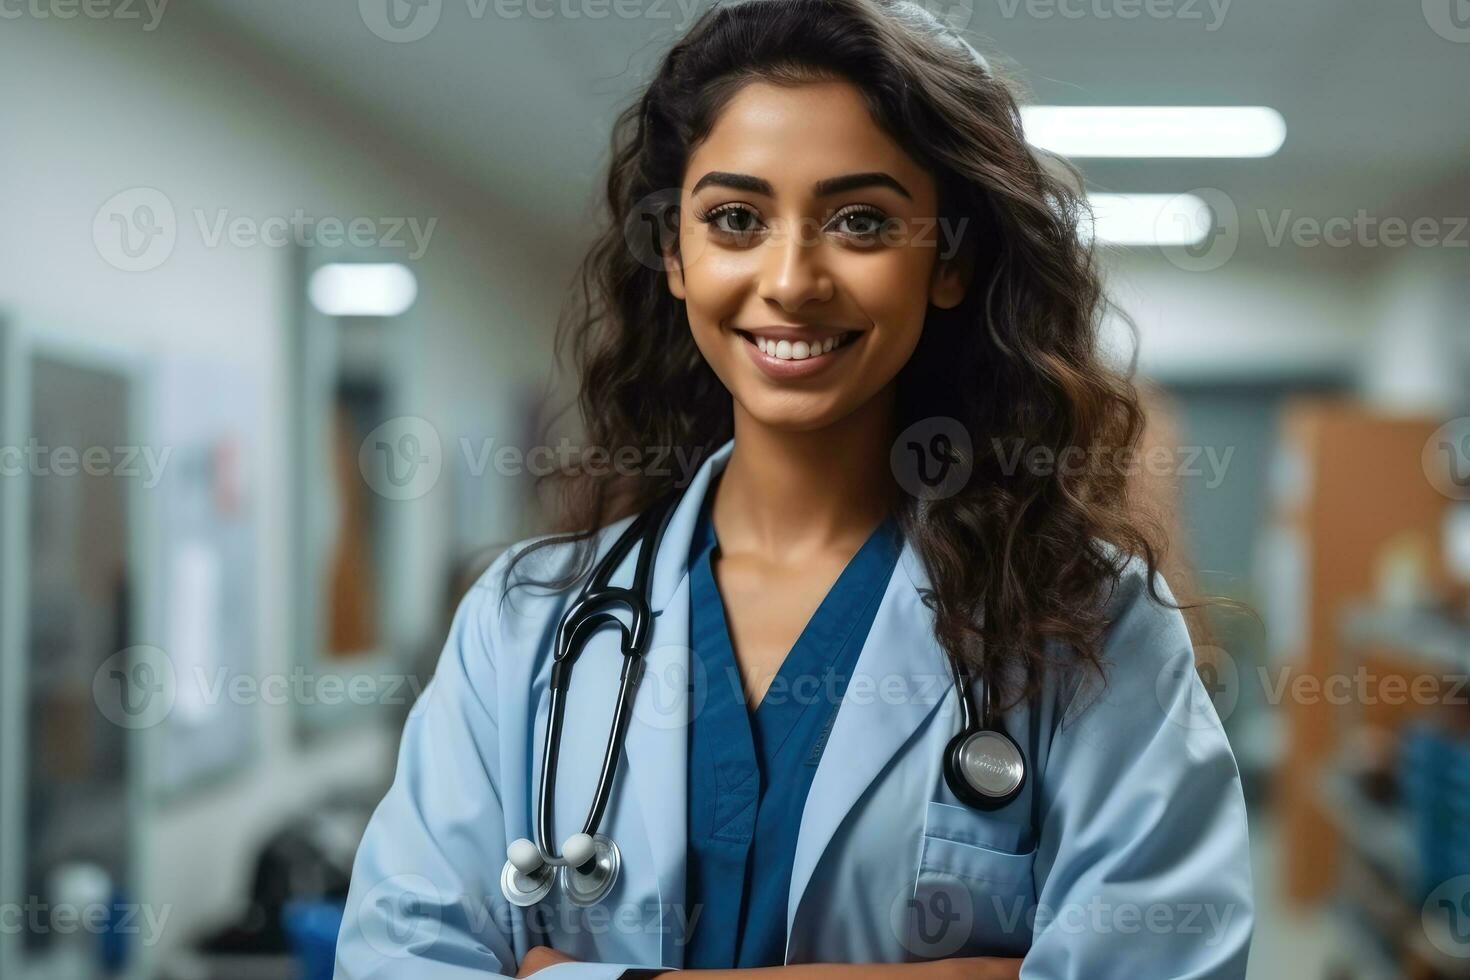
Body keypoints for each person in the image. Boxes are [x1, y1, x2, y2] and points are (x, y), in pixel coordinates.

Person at [333, 0, 1254, 976]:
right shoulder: (523, 624)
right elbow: (399, 955)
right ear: (676, 256)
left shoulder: (1095, 626)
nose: (791, 278)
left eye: (861, 221)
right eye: (736, 218)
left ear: (946, 262)